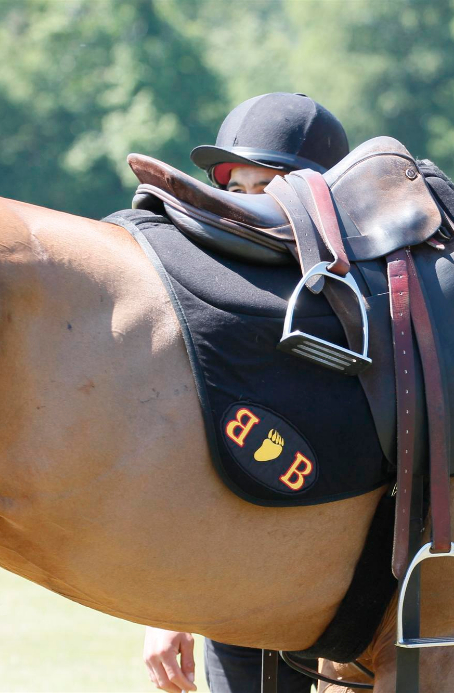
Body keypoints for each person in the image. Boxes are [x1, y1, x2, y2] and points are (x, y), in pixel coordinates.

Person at [142, 92, 349, 693]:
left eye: (269, 187)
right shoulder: (206, 312)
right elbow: (179, 463)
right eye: (238, 187)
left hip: (358, 604)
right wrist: (168, 607)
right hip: (238, 597)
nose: (248, 205)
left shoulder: (372, 307)